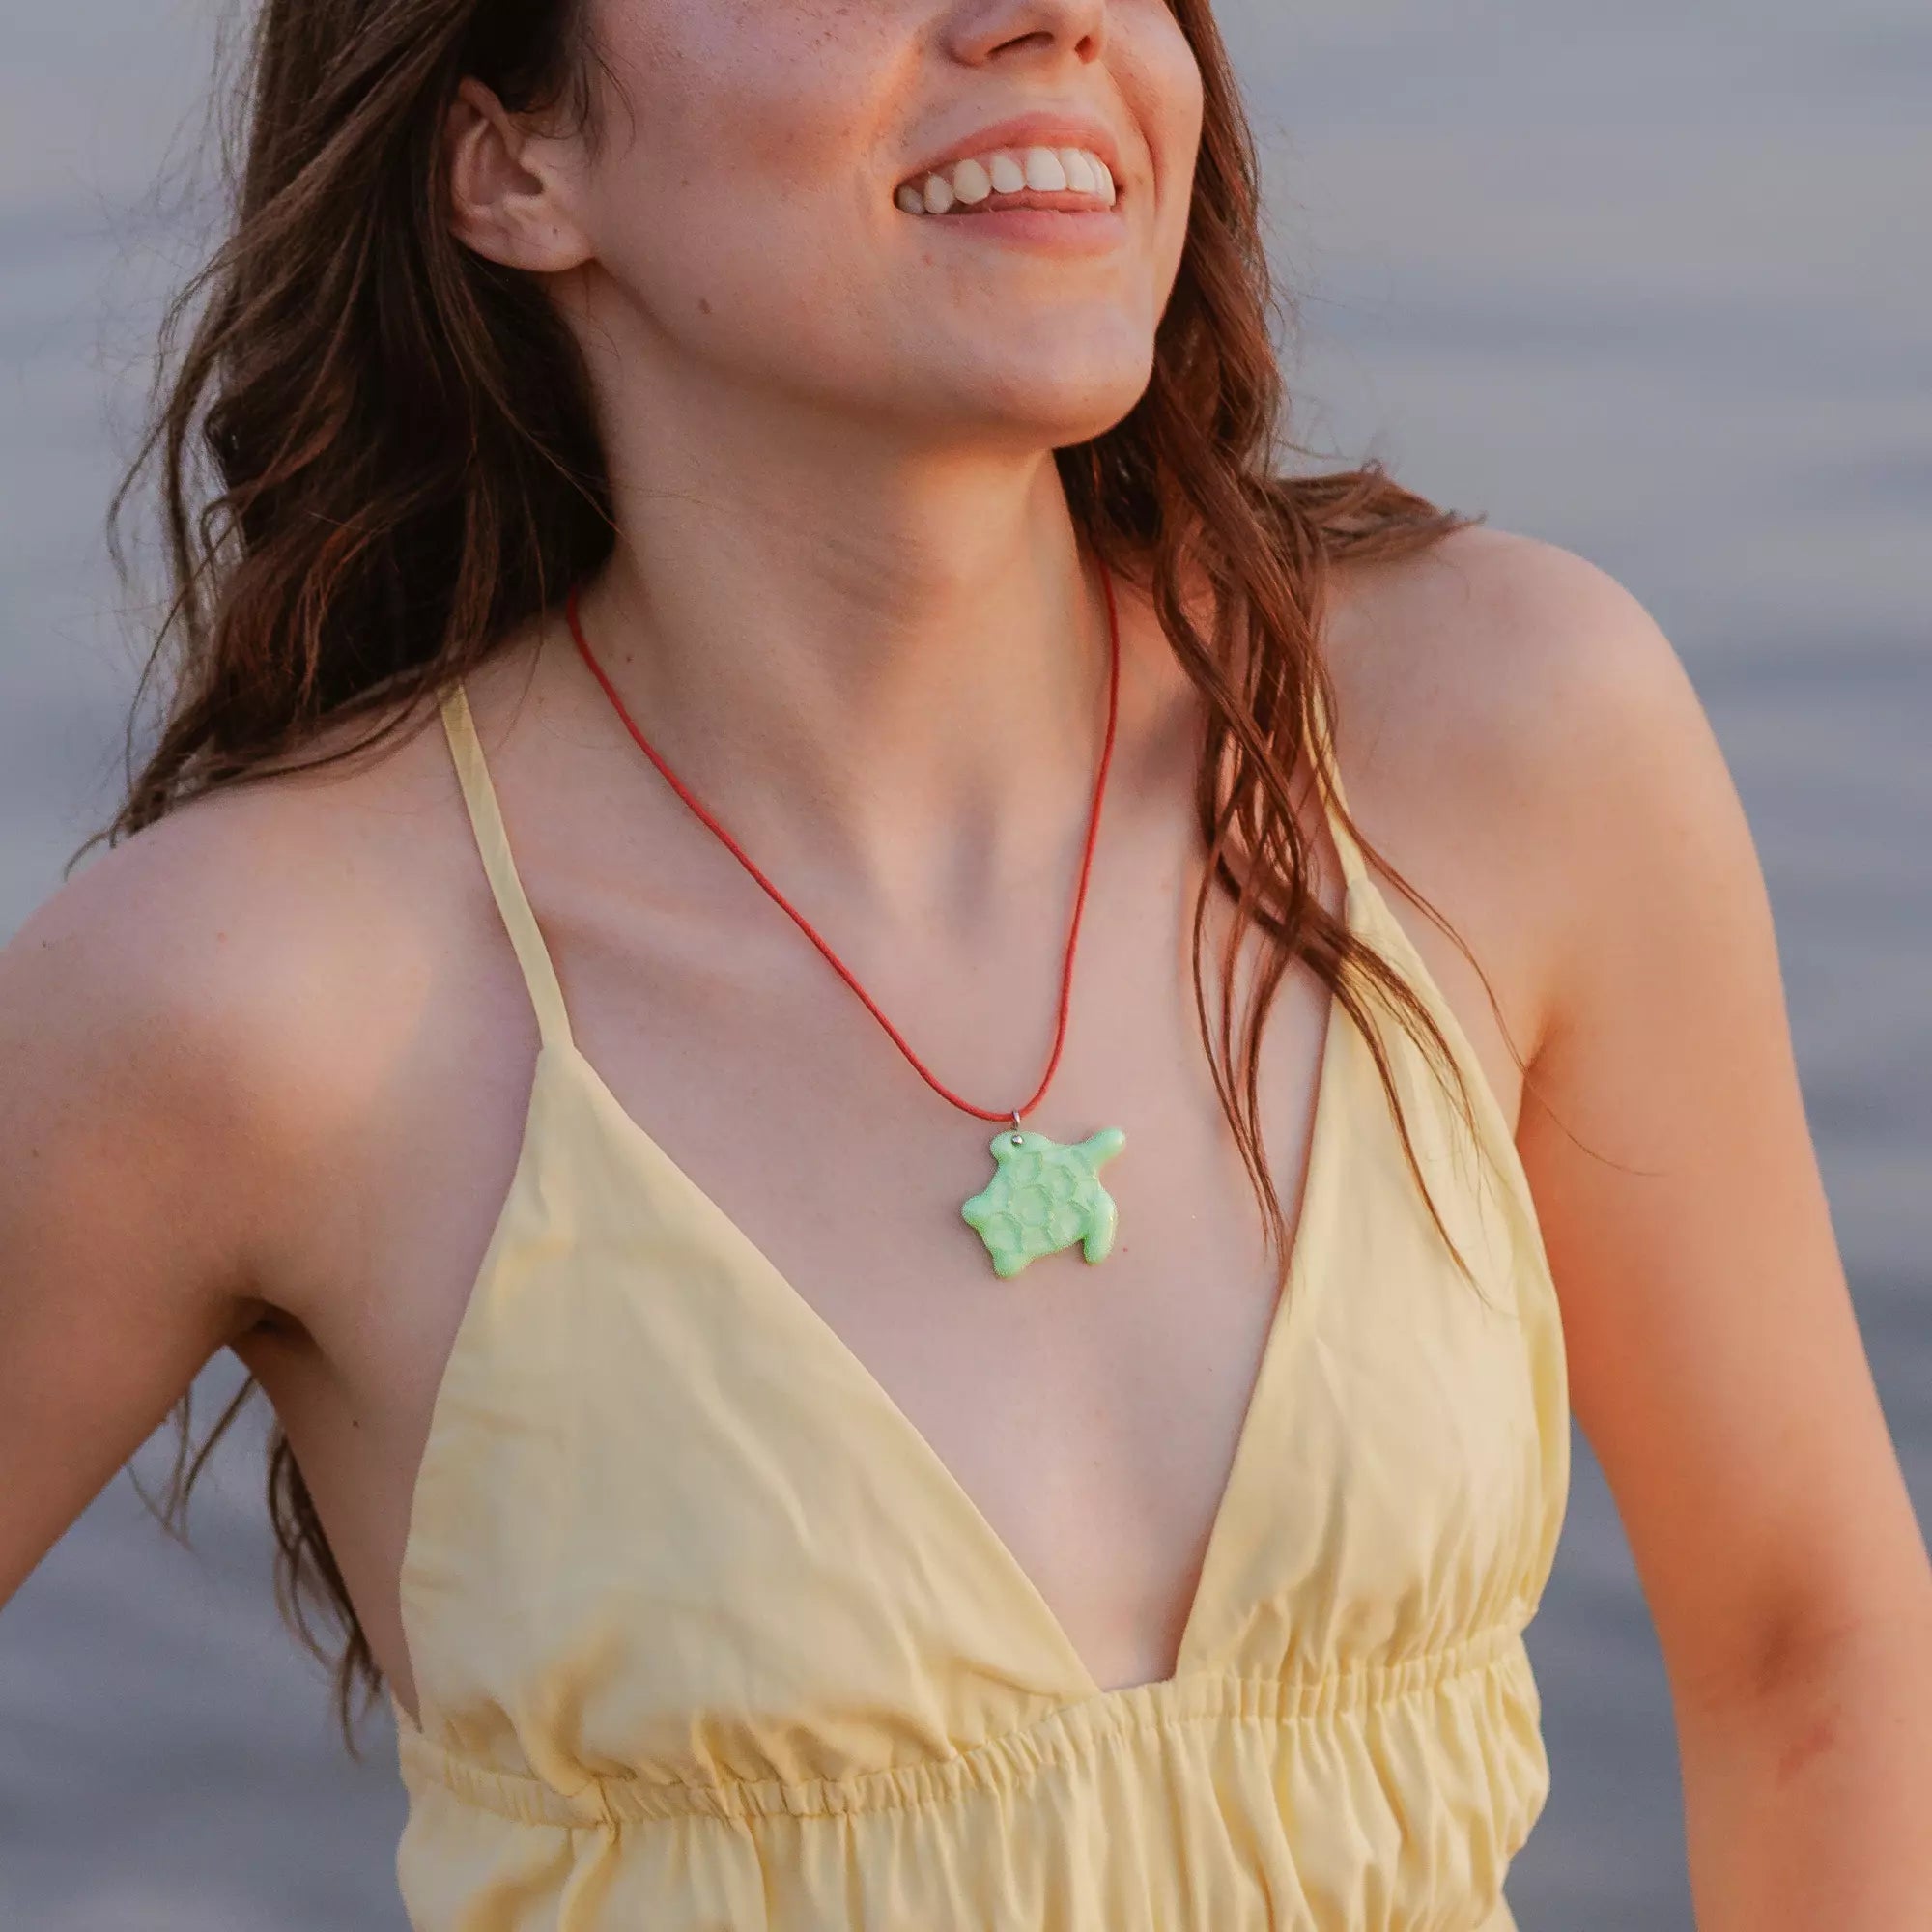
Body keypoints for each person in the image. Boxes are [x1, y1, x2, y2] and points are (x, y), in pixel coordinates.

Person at [4, 1, 1928, 1926]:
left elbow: (1802, 1647)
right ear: (511, 162)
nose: (1051, 15)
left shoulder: (1498, 739)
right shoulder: (264, 995)